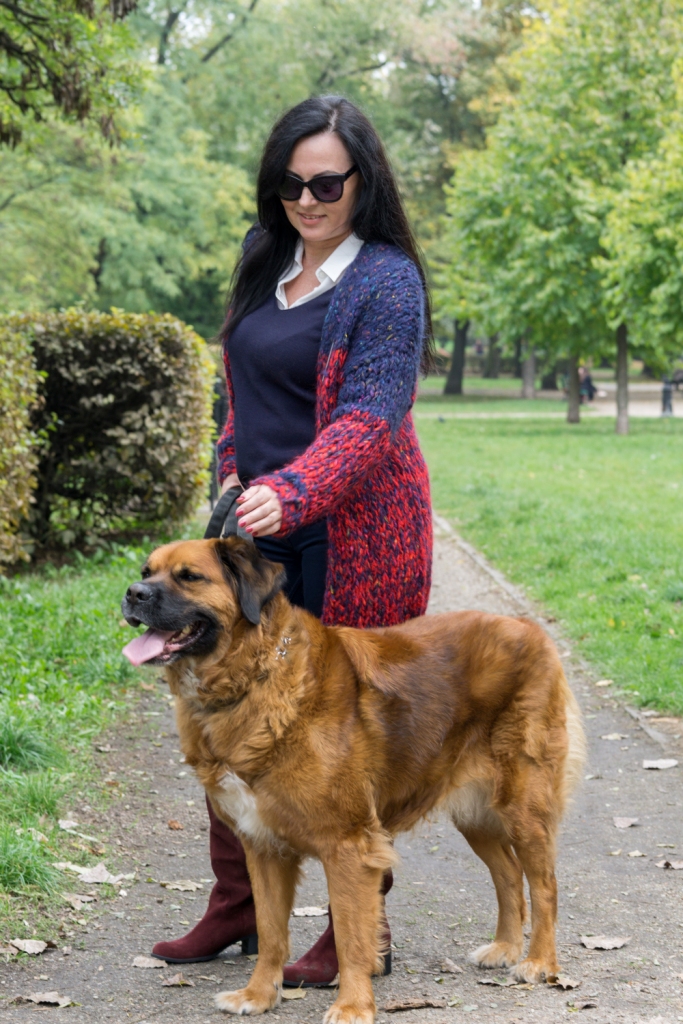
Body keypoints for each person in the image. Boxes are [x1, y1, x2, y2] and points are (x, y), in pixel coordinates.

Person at [151, 94, 433, 986]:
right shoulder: (263, 255)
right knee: (223, 707)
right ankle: (237, 905)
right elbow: (240, 390)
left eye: (325, 185)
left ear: (362, 182)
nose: (305, 201)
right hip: (254, 534)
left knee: (346, 735)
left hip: (357, 538)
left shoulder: (386, 281)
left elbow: (371, 417)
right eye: (289, 183)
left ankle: (360, 929)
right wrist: (233, 474)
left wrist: (295, 489)